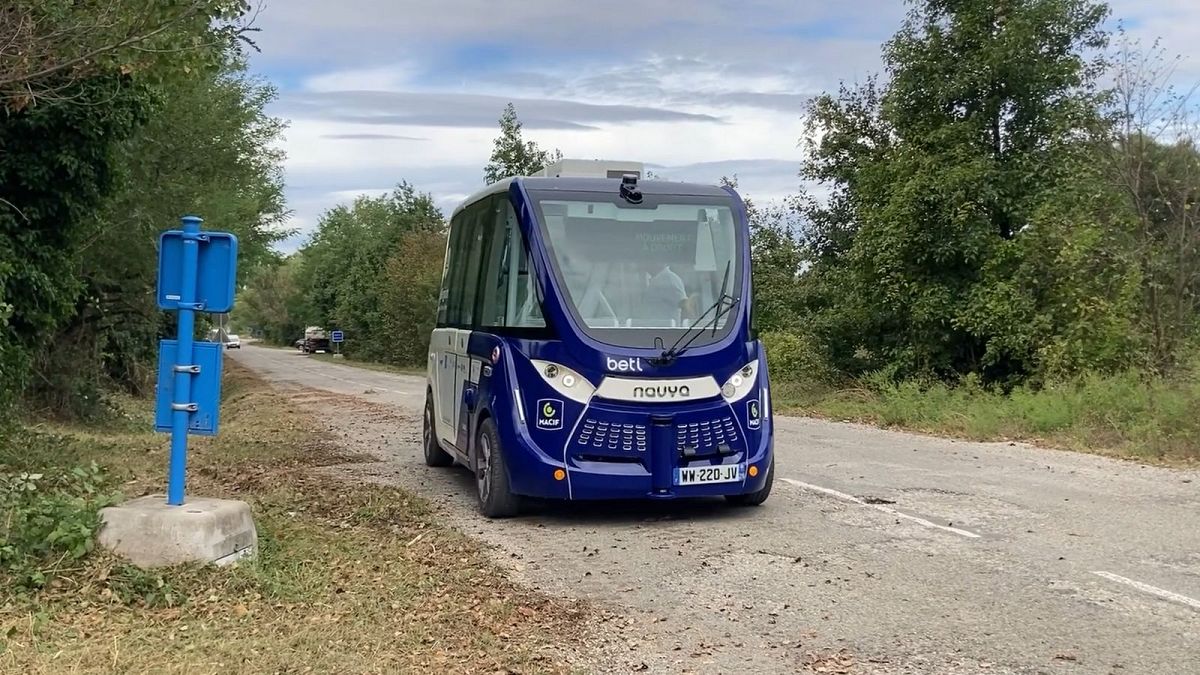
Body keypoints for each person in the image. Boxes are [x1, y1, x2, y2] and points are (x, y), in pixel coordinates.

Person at [641, 261, 687, 326]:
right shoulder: (657, 278)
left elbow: (684, 305)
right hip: (656, 329)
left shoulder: (669, 278)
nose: (645, 264)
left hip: (667, 331)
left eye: (649, 260)